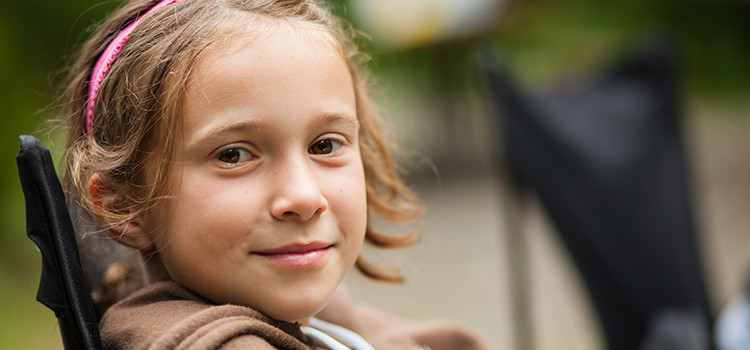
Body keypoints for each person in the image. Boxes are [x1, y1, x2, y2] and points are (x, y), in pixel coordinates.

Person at [59, 0, 496, 348]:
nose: (304, 197)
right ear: (124, 207)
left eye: (324, 146)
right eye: (233, 155)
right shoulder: (195, 339)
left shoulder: (319, 316)